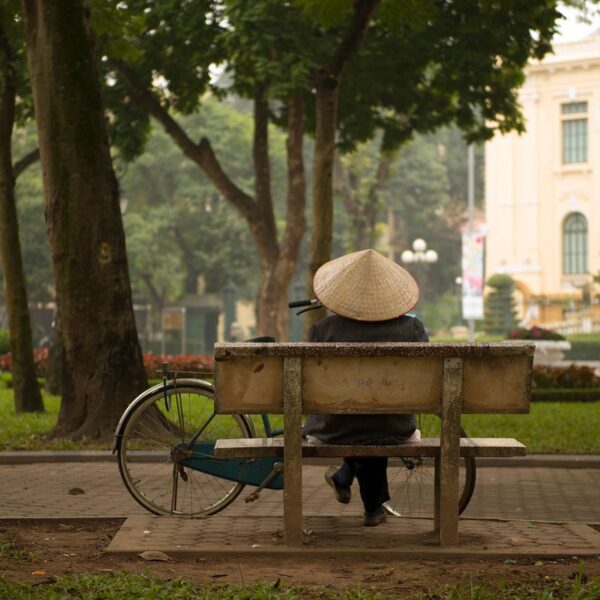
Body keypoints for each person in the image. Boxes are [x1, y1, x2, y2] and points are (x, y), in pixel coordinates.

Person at [303, 249, 428, 526]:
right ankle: (370, 506)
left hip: (334, 428)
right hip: (394, 426)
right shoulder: (413, 330)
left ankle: (349, 480)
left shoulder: (323, 330)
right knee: (375, 417)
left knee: (358, 416)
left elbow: (308, 383)